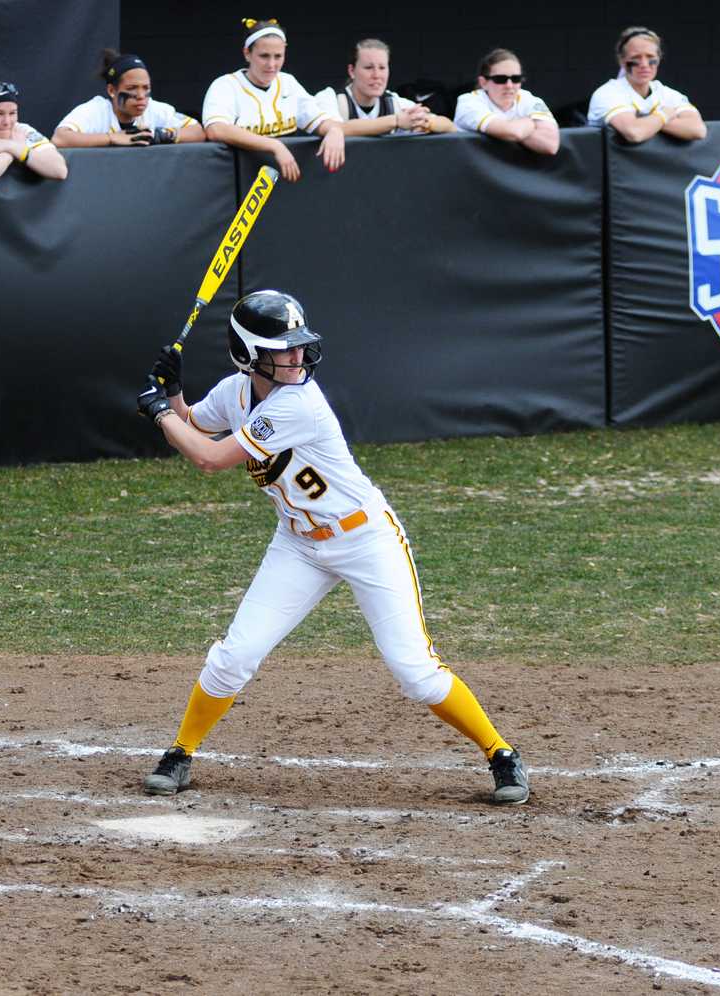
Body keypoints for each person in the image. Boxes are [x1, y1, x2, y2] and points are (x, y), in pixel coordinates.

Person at [132, 291, 530, 806]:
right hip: (297, 545)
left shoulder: (300, 404)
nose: (296, 357)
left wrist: (159, 412)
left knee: (414, 669)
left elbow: (209, 459)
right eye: (283, 349)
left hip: (366, 539)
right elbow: (197, 427)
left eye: (299, 347)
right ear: (249, 355)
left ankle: (501, 754)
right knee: (236, 654)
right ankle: (180, 753)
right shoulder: (236, 393)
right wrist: (175, 398)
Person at [201, 18, 346, 182]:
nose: (271, 64)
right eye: (264, 56)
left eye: (278, 56)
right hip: (236, 183)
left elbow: (318, 120)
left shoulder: (288, 83)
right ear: (247, 53)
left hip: (283, 181)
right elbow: (216, 129)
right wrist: (274, 145)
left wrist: (334, 130)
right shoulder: (226, 85)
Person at [53, 50, 206, 148]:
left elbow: (198, 131)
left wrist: (161, 135)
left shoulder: (154, 108)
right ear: (112, 90)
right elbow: (60, 138)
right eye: (132, 88)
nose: (141, 96)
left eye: (146, 88)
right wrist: (111, 138)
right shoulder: (96, 110)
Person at [312, 38, 456, 136]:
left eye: (382, 68)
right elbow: (338, 129)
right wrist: (396, 121)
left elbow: (450, 127)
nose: (376, 75)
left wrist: (425, 123)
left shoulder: (393, 102)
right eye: (368, 67)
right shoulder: (330, 98)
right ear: (352, 71)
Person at [587, 27, 707, 142]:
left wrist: (646, 121)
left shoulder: (667, 93)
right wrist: (664, 114)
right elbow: (634, 133)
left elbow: (698, 130)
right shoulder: (607, 93)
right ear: (622, 61)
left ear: (659, 59)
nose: (644, 64)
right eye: (636, 57)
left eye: (650, 57)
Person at [453, 49, 560, 154]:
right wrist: (530, 122)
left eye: (516, 78)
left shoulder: (529, 99)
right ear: (483, 82)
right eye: (500, 79)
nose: (509, 86)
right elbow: (514, 133)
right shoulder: (468, 102)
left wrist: (507, 129)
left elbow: (551, 145)